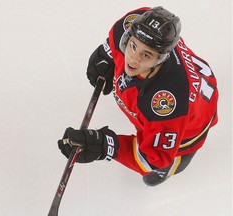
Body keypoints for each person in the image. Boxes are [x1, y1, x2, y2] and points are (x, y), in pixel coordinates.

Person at [58, 6, 218, 186]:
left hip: (191, 124)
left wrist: (106, 146)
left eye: (146, 55)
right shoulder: (132, 23)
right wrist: (106, 54)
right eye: (133, 46)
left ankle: (176, 164)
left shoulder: (166, 105)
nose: (133, 59)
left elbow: (151, 160)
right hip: (187, 84)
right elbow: (118, 40)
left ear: (161, 58)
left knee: (156, 169)